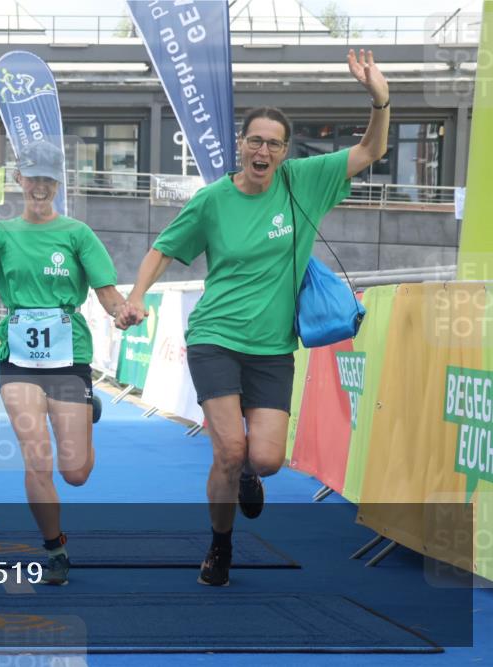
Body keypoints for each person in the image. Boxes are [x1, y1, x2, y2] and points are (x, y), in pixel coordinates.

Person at [119, 49, 390, 587]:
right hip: (216, 338)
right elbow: (164, 249)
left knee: (264, 459)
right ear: (241, 146)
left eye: (274, 143)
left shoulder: (304, 181)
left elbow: (371, 149)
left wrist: (380, 98)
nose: (263, 150)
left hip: (272, 348)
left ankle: (248, 476)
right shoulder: (213, 200)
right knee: (229, 447)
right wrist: (137, 296)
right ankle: (220, 547)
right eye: (255, 140)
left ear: (285, 152)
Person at [0, 139, 126, 585]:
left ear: (58, 183)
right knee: (37, 459)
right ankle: (55, 548)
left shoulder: (77, 234)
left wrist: (124, 312)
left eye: (48, 178)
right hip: (17, 362)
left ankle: (86, 411)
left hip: (68, 357)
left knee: (75, 473)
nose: (39, 186)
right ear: (18, 179)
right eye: (32, 176)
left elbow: (109, 295)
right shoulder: (1, 234)